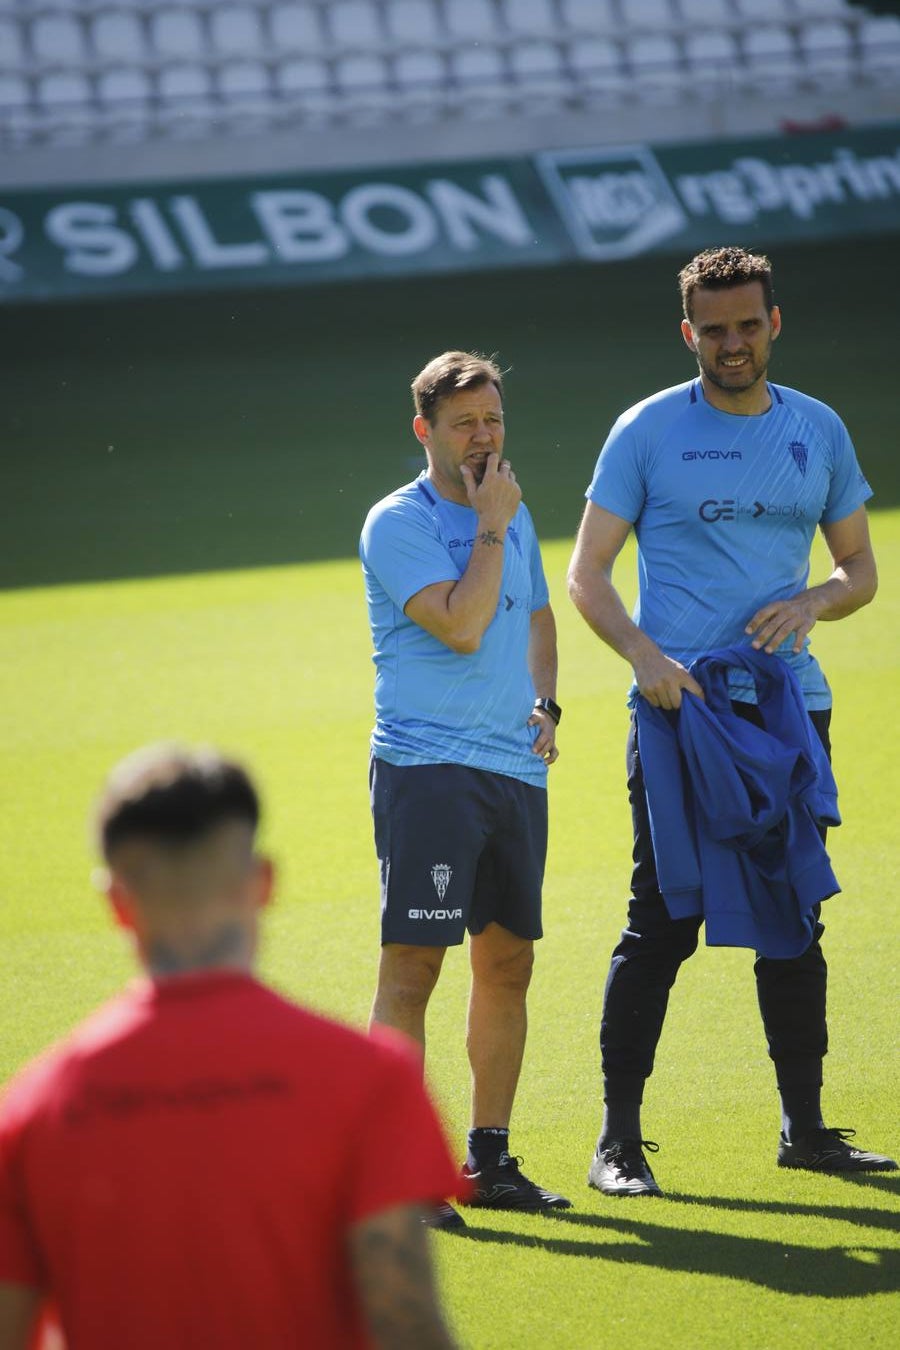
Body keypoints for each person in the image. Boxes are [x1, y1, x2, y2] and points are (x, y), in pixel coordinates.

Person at [567, 245, 896, 1198]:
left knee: (795, 915)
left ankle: (806, 1129)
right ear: (689, 335)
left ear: (774, 324)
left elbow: (859, 570)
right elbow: (586, 574)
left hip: (790, 710)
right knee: (661, 920)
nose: (733, 343)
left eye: (748, 325)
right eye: (714, 329)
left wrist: (814, 605)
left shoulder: (819, 431)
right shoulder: (647, 431)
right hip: (678, 713)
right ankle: (617, 1142)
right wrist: (645, 659)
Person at [0, 745, 461, 1349]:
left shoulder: (32, 1113)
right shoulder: (370, 1081)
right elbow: (408, 1330)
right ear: (263, 882)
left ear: (115, 900)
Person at [359, 350, 570, 1229]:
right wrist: (490, 523)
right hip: (430, 776)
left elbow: (536, 613)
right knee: (414, 970)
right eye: (463, 424)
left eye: (493, 420)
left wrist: (547, 702)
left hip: (512, 772)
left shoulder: (507, 511)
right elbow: (461, 622)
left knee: (508, 964)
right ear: (425, 432)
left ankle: (490, 1158)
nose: (483, 437)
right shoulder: (398, 522)